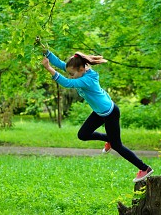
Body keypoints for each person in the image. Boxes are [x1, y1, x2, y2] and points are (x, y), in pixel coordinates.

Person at [41, 50, 153, 182]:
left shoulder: (87, 80)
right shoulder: (81, 71)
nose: (71, 76)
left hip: (110, 112)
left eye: (72, 74)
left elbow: (67, 83)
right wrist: (47, 53)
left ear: (82, 69)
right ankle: (109, 139)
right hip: (100, 112)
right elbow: (61, 64)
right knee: (83, 135)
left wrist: (48, 68)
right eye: (70, 73)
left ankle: (144, 168)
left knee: (118, 146)